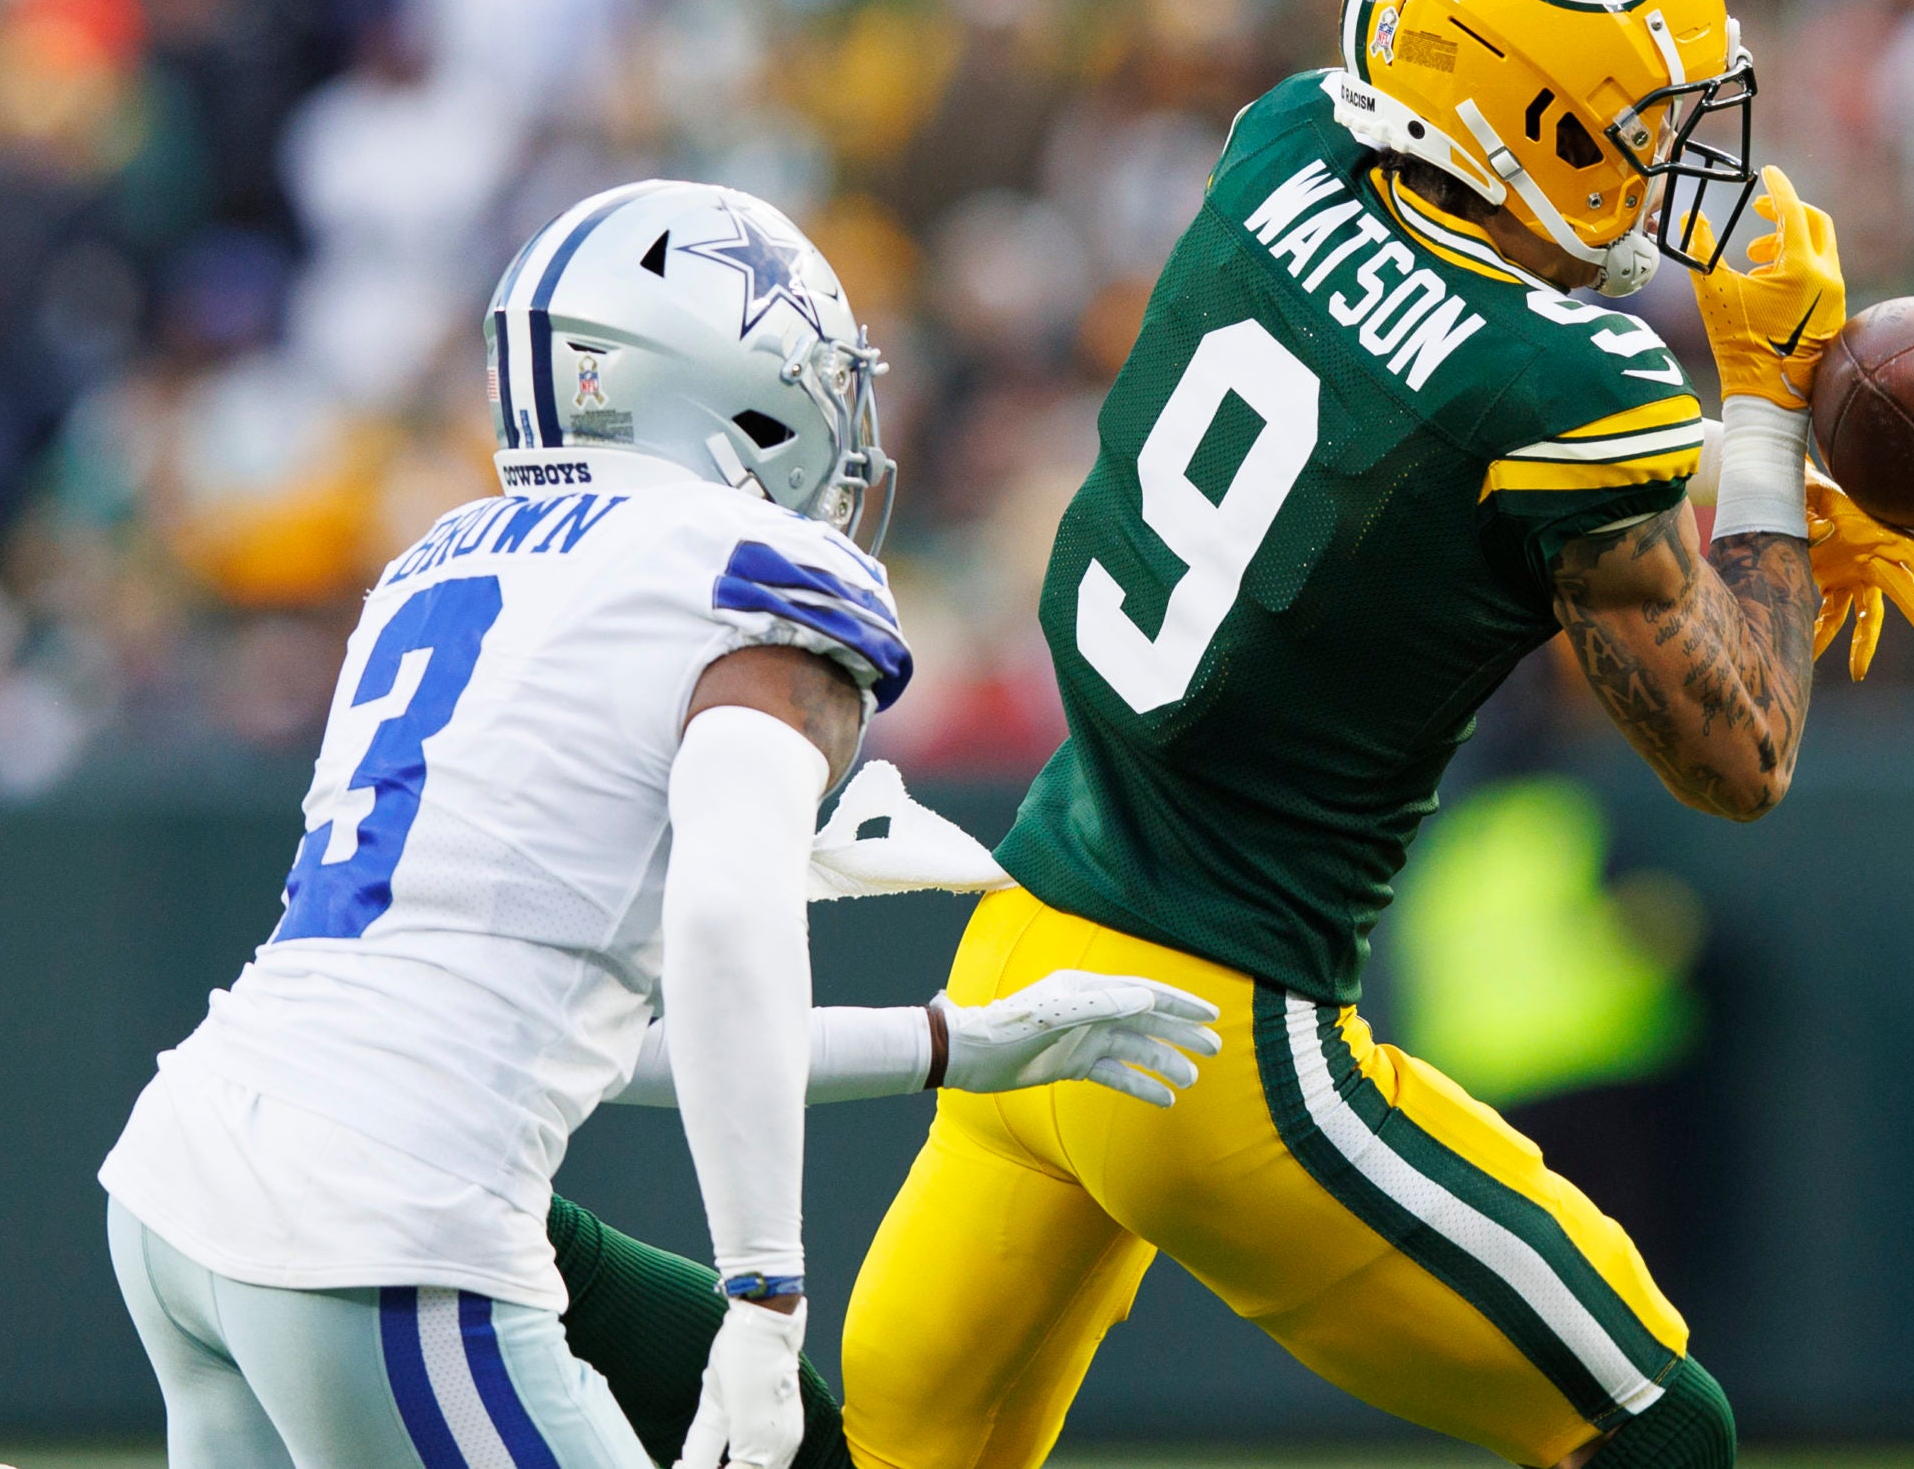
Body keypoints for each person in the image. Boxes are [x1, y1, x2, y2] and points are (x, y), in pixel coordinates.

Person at [838, 0, 1914, 1469]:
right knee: (1656, 1430)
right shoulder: (1576, 386)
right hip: (1216, 1041)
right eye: (1637, 133)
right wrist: (1768, 422)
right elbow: (1744, 750)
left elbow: (1403, 415)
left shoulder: (1281, 143)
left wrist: (1702, 481)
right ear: (1529, 132)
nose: (1670, 174)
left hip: (1022, 948)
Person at [97, 179, 1217, 1469]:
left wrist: (954, 1044)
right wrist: (764, 1289)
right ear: (716, 378)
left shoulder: (446, 555)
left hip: (186, 1178)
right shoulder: (741, 567)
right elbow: (723, 927)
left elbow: (606, 1035)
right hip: (383, 1221)